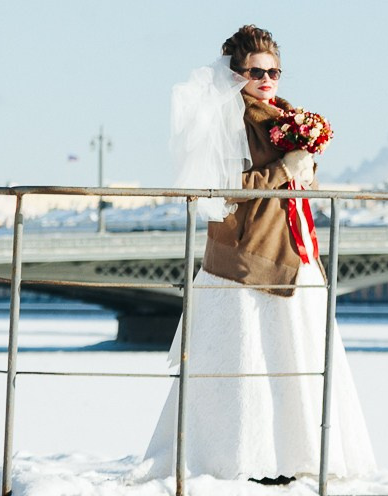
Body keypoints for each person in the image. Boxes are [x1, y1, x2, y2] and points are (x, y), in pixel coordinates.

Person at [135, 24, 375, 485]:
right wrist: (284, 169)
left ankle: (296, 457)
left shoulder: (283, 117)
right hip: (249, 261)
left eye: (275, 71)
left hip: (296, 251)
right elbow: (221, 191)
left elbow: (299, 186)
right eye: (256, 71)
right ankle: (241, 458)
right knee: (249, 360)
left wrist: (301, 167)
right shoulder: (226, 120)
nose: (267, 79)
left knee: (296, 355)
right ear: (235, 74)